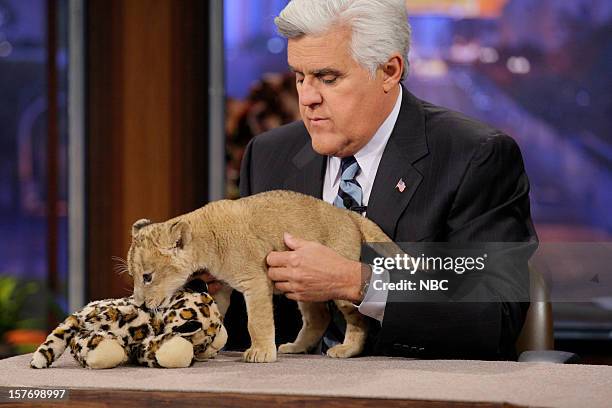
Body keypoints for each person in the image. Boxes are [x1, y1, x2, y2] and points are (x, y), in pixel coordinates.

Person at [213, 0, 537, 360]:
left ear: (389, 71)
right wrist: (216, 280)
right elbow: (253, 325)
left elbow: (493, 318)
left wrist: (358, 282)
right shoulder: (269, 156)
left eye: (328, 78)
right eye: (299, 76)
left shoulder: (474, 157)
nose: (307, 98)